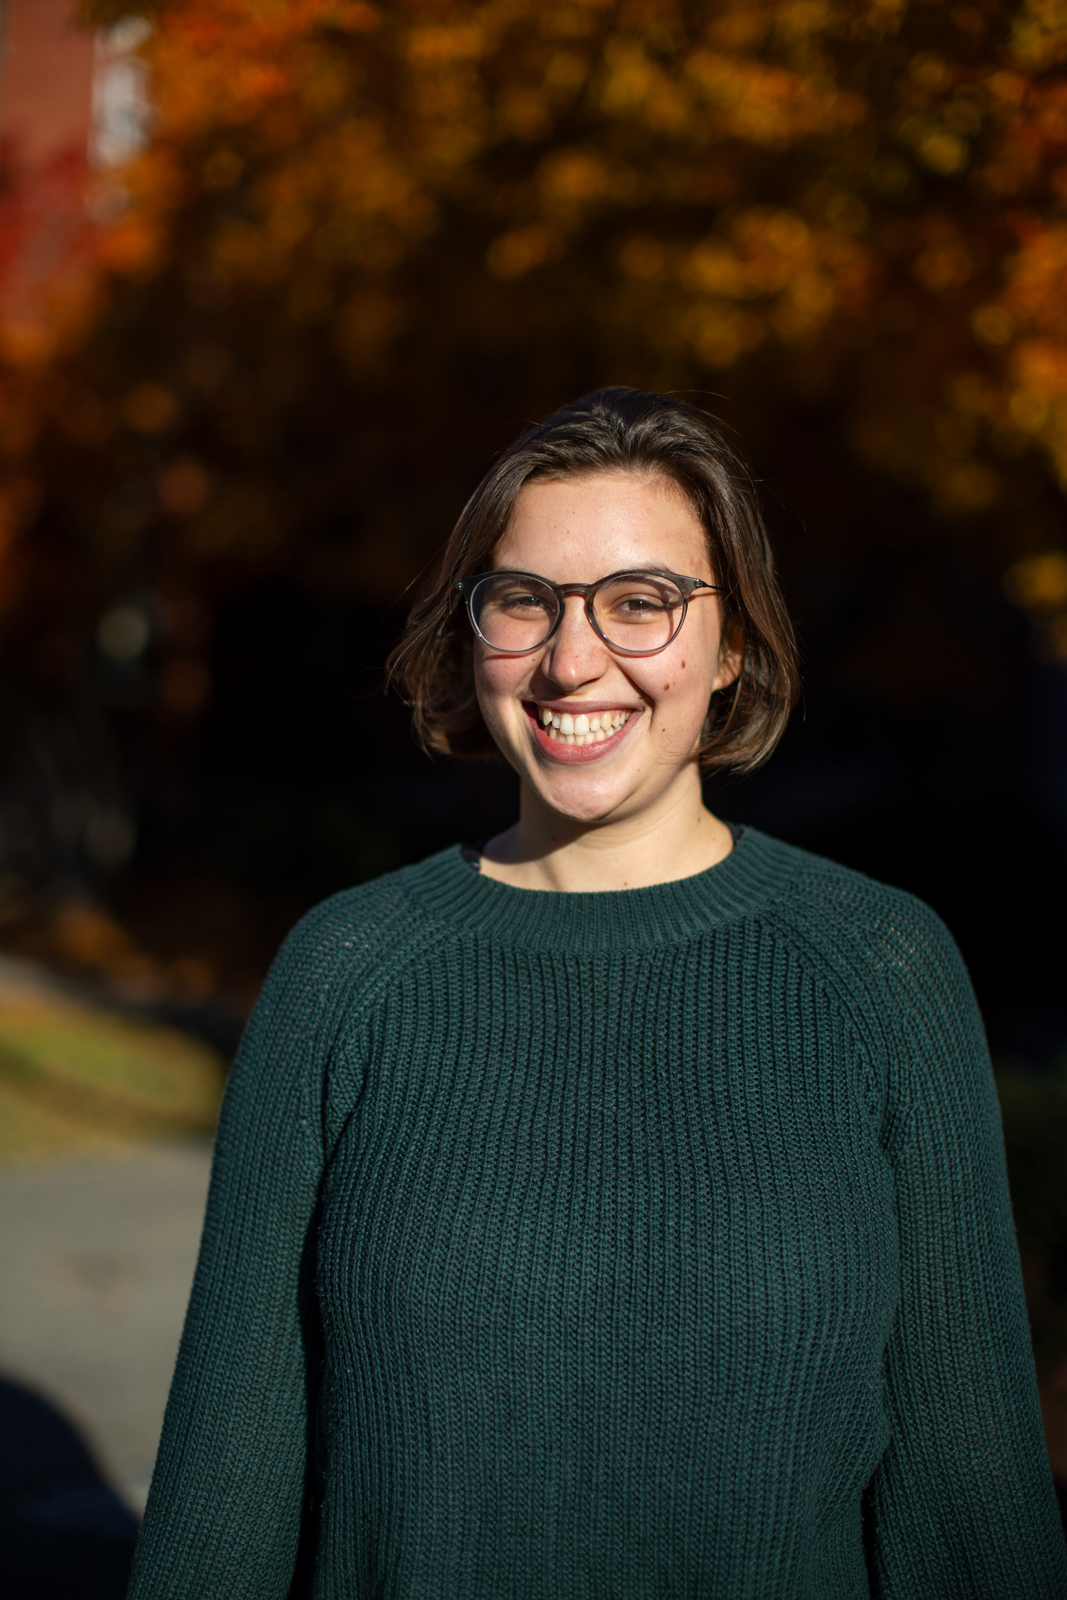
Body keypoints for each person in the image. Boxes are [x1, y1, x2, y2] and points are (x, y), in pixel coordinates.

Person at [127, 388, 1067, 1599]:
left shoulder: (879, 968)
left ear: (731, 644)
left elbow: (969, 1495)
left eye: (641, 602)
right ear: (474, 635)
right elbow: (224, 1491)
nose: (574, 660)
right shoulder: (348, 969)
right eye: (524, 602)